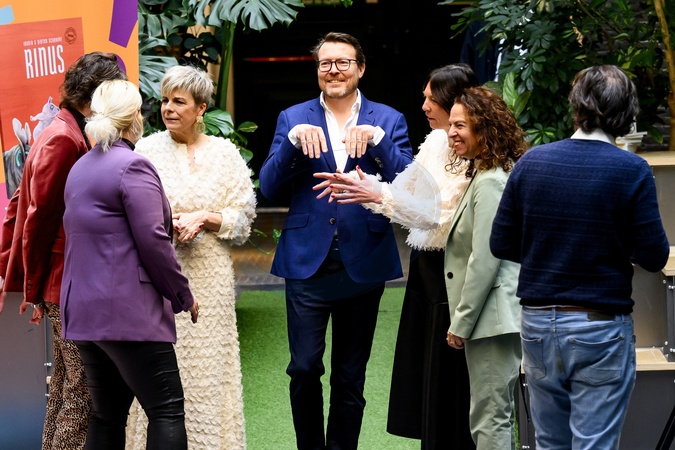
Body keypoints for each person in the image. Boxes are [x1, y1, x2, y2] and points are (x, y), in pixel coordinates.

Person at [490, 65, 670, 449]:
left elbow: (501, 243)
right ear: (627, 112)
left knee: (549, 443)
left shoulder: (531, 162)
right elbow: (654, 256)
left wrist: (547, 249)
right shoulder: (631, 170)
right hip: (599, 325)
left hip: (538, 323)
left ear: (576, 106)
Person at [259, 31, 413, 450]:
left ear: (360, 68)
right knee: (304, 367)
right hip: (307, 260)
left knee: (349, 376)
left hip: (364, 260)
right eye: (325, 63)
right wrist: (292, 144)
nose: (333, 70)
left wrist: (378, 142)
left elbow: (409, 184)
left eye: (343, 62)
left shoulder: (388, 119)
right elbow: (268, 187)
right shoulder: (293, 117)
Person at [313, 63, 478, 449]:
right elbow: (407, 190)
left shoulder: (474, 148)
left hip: (453, 269)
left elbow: (439, 216)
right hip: (424, 268)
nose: (423, 106)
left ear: (456, 102)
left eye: (430, 99)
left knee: (452, 374)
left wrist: (377, 195)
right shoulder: (435, 141)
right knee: (425, 371)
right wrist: (363, 184)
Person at [61, 79, 198, 450]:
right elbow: (154, 241)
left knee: (106, 415)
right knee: (167, 410)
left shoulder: (81, 167)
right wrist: (183, 295)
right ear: (134, 117)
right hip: (126, 312)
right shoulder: (133, 165)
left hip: (84, 313)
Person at [124, 65, 256, 450]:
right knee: (160, 373)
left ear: (200, 109)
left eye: (179, 101)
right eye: (165, 100)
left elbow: (243, 218)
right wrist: (168, 222)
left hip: (212, 279)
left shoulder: (225, 154)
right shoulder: (146, 151)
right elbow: (130, 212)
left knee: (210, 371)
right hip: (159, 278)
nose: (168, 108)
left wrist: (206, 218)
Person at [0, 52, 126, 450]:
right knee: (82, 389)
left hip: (61, 283)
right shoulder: (65, 137)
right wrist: (34, 289)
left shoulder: (64, 128)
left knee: (66, 386)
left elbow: (21, 206)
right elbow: (38, 216)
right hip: (63, 283)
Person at [442, 86, 526, 449]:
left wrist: (460, 322)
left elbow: (485, 259)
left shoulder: (491, 181)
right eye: (451, 125)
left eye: (460, 125)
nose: (451, 133)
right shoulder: (486, 173)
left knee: (490, 418)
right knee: (492, 414)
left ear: (485, 127)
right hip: (493, 319)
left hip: (492, 321)